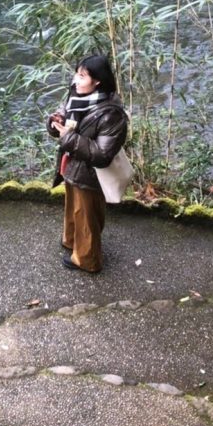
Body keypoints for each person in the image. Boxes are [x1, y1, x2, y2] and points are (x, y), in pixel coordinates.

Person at [47, 54, 128, 273]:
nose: (76, 79)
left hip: (91, 174)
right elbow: (66, 113)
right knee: (74, 209)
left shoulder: (111, 114)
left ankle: (88, 260)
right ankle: (72, 241)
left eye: (82, 76)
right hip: (72, 166)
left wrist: (67, 137)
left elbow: (102, 154)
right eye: (77, 74)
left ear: (97, 81)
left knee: (86, 215)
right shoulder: (78, 95)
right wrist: (56, 121)